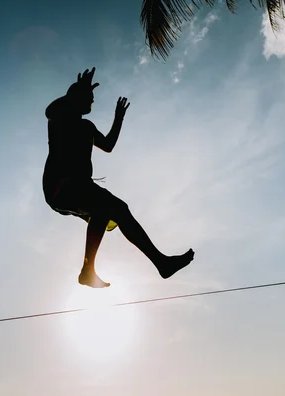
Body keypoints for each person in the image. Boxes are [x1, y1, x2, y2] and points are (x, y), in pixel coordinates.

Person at [42, 67, 194, 288]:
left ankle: (154, 264)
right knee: (108, 208)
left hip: (78, 186)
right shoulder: (59, 119)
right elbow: (50, 109)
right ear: (77, 98)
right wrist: (75, 91)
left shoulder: (87, 126)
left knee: (114, 210)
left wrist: (118, 119)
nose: (92, 103)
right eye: (90, 99)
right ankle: (155, 263)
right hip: (61, 185)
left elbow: (108, 145)